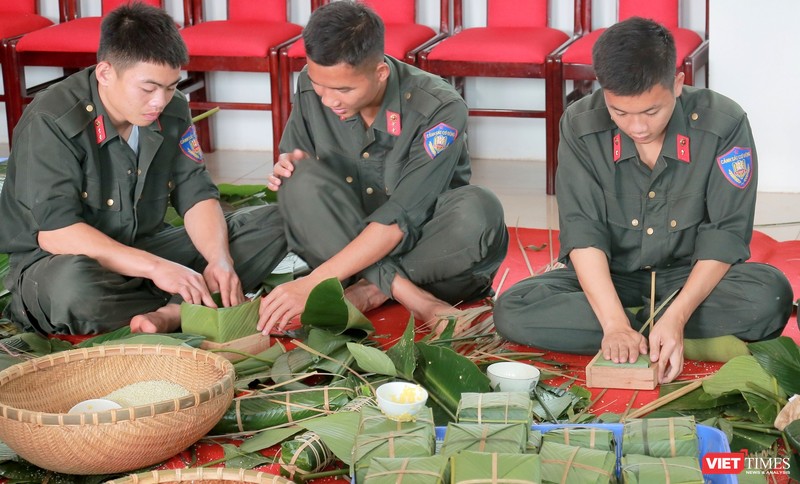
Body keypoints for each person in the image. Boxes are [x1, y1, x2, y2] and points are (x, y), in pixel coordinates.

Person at [494, 17, 793, 384]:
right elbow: (583, 231)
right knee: (513, 309)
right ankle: (649, 333)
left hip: (689, 278)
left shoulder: (723, 124)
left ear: (678, 84)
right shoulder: (580, 124)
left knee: (771, 297)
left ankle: (661, 330)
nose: (637, 127)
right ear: (603, 92)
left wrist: (678, 315)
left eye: (652, 111)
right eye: (621, 113)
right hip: (612, 277)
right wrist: (614, 323)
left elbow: (725, 234)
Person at [0, 3, 287, 335]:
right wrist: (157, 268)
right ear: (106, 73)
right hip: (63, 262)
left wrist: (219, 259)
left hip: (147, 246)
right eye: (148, 88)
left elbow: (195, 193)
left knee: (276, 222)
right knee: (74, 289)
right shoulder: (51, 120)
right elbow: (56, 232)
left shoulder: (171, 109)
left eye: (170, 86)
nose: (160, 102)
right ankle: (185, 303)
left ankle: (173, 311)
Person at [257, 1, 508, 335]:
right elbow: (298, 159)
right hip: (345, 248)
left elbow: (400, 219)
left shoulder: (440, 108)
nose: (329, 100)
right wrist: (289, 170)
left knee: (479, 209)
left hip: (427, 253)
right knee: (297, 182)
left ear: (380, 72)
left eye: (344, 90)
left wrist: (314, 282)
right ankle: (411, 297)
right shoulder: (311, 83)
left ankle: (370, 291)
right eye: (321, 85)